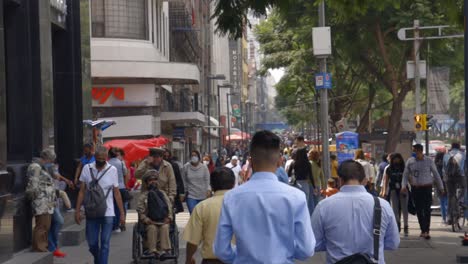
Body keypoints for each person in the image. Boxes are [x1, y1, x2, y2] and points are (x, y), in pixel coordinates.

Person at [214, 130, 315, 263]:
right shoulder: (296, 197)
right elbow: (306, 249)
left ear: (250, 161)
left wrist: (240, 256)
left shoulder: (232, 197)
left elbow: (221, 249)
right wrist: (284, 252)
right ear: (280, 161)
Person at [311, 160, 400, 264]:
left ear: (340, 180)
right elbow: (393, 243)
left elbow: (314, 244)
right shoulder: (382, 205)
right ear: (364, 180)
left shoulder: (324, 206)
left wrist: (332, 243)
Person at [75, 146, 126, 264]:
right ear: (95, 157)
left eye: (103, 159)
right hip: (92, 211)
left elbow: (117, 193)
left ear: (107, 158)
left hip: (108, 212)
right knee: (92, 243)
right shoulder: (87, 168)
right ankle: (98, 260)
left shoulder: (112, 170)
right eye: (98, 158)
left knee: (105, 243)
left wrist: (122, 213)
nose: (101, 161)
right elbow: (82, 191)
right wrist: (77, 211)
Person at [183, 167, 236, 264]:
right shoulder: (243, 206)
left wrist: (188, 259)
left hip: (211, 261)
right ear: (233, 184)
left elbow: (192, 241)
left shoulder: (202, 207)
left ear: (211, 185)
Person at [402, 144, 444, 239]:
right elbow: (405, 174)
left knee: (427, 209)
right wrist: (403, 186)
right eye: (413, 151)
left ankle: (427, 230)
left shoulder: (429, 161)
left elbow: (436, 174)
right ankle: (423, 229)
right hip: (416, 189)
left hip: (427, 188)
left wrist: (441, 187)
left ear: (420, 151)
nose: (414, 153)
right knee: (419, 209)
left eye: (415, 151)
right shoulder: (410, 161)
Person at [25, 149, 57, 252]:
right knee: (42, 225)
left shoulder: (41, 167)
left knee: (45, 224)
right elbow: (33, 184)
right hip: (41, 201)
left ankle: (42, 245)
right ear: (47, 158)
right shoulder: (36, 167)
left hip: (46, 201)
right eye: (51, 160)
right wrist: (36, 197)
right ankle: (39, 246)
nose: (51, 163)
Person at [137, 170, 172, 259]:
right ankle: (152, 251)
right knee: (152, 228)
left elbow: (169, 207)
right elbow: (140, 211)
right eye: (150, 180)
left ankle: (164, 251)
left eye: (155, 179)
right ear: (147, 182)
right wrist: (146, 219)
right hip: (150, 221)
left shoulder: (163, 194)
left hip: (163, 220)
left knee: (165, 227)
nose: (153, 182)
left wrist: (169, 217)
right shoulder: (143, 196)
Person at [380, 153, 409, 236]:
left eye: (398, 159)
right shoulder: (389, 168)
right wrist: (384, 191)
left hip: (403, 190)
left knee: (404, 209)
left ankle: (406, 225)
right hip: (393, 190)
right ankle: (397, 224)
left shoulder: (404, 168)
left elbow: (408, 178)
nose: (397, 160)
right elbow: (385, 181)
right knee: (394, 209)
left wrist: (409, 187)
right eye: (395, 159)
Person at [443, 142, 466, 225]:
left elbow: (444, 168)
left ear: (451, 147)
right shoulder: (462, 154)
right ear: (459, 147)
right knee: (464, 187)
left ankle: (449, 217)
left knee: (450, 195)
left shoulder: (446, 155)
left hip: (449, 178)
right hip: (460, 176)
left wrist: (445, 178)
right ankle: (460, 201)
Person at [287, 147, 315, 215]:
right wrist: (314, 187)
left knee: (296, 204)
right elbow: (311, 176)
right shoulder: (308, 164)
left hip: (295, 184)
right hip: (305, 184)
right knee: (305, 204)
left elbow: (288, 174)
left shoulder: (293, 163)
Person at [107, 147, 129, 232]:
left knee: (111, 207)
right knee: (119, 207)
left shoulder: (107, 163)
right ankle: (117, 225)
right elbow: (125, 173)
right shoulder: (121, 163)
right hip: (121, 187)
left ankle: (112, 225)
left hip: (110, 188)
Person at [163, 149, 186, 213]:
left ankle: (173, 222)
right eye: (164, 156)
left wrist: (181, 192)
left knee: (172, 208)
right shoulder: (159, 166)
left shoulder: (174, 165)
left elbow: (179, 179)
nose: (166, 158)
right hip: (162, 191)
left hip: (172, 191)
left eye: (168, 156)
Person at [434, 151, 448, 225]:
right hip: (448, 184)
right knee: (447, 201)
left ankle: (444, 219)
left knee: (442, 202)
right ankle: (449, 217)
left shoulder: (436, 165)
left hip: (439, 185)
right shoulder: (447, 163)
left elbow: (435, 177)